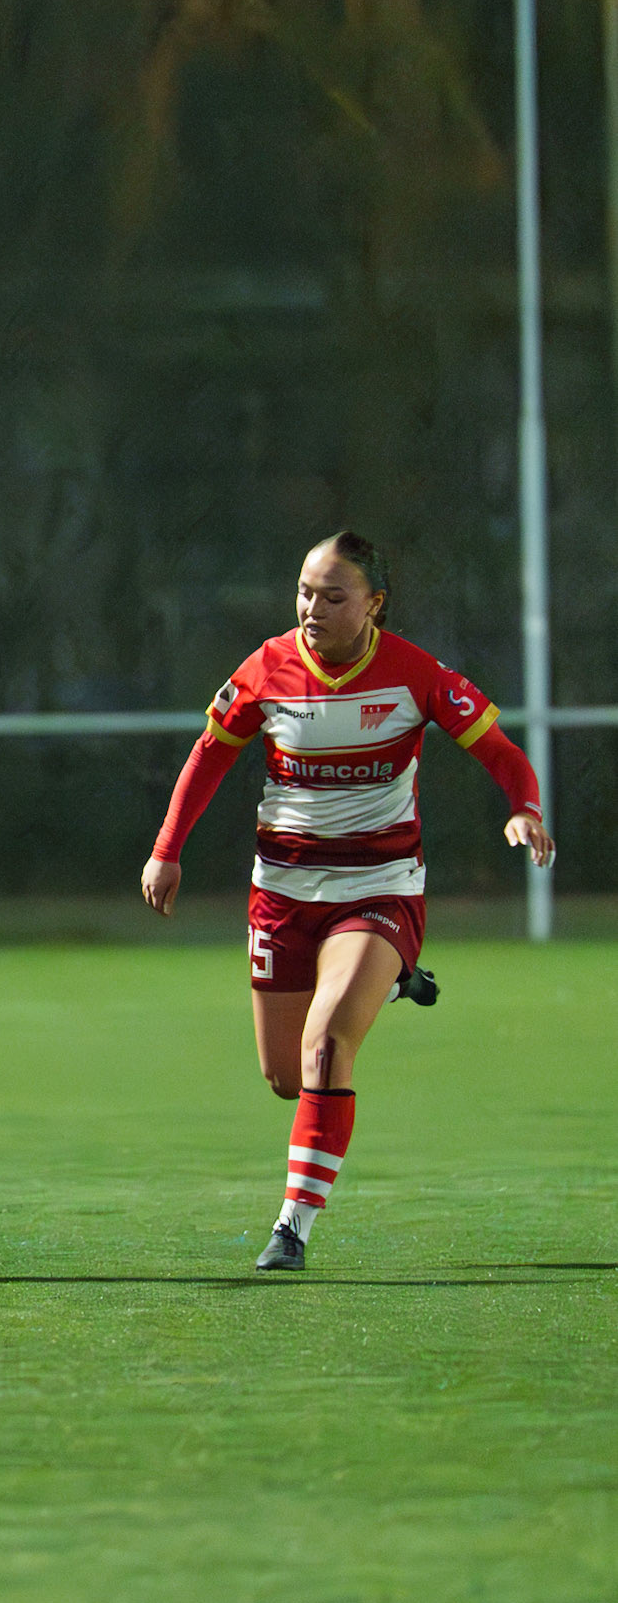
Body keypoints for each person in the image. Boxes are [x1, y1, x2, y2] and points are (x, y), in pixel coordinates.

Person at [140, 531, 555, 1272]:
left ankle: (291, 1227)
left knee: (328, 1042)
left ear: (373, 605)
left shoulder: (412, 674)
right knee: (285, 1078)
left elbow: (499, 750)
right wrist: (166, 850)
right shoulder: (265, 668)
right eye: (304, 591)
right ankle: (394, 979)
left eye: (334, 595)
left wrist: (523, 806)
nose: (312, 607)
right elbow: (207, 757)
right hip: (283, 891)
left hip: (379, 885)